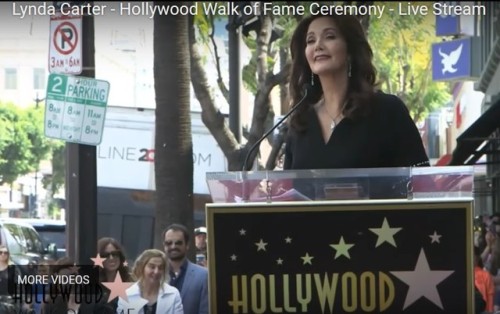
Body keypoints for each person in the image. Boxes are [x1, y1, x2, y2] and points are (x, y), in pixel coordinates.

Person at [284, 14, 429, 171]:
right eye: (310, 40)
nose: (318, 45)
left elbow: (421, 179)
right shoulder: (301, 122)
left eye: (329, 37)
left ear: (350, 50)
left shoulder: (388, 110)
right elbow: (286, 190)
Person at [117, 249, 183, 314]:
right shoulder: (126, 295)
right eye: (152, 267)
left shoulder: (173, 294)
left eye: (160, 268)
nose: (156, 272)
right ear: (142, 267)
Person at [163, 224, 208, 314]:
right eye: (169, 243)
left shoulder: (203, 275)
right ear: (164, 245)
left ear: (187, 245)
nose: (173, 246)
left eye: (178, 243)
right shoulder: (154, 274)